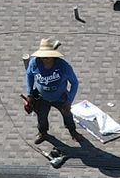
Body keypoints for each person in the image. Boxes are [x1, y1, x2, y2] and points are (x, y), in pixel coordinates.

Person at [23, 37, 80, 165]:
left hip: (61, 97)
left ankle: (73, 131)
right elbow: (29, 76)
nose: (45, 59)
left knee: (67, 115)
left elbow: (75, 83)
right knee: (41, 117)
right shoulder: (34, 63)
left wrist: (69, 101)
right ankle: (43, 133)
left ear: (53, 56)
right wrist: (29, 94)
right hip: (42, 98)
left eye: (48, 57)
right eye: (43, 57)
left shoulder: (64, 66)